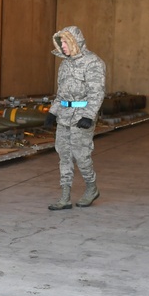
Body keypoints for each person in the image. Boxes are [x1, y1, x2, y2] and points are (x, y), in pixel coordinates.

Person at [44, 25, 106, 210]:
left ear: (74, 41)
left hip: (82, 117)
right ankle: (64, 197)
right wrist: (52, 111)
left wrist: (89, 115)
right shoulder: (64, 65)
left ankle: (91, 188)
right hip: (64, 116)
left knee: (81, 155)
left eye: (64, 42)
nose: (62, 46)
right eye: (60, 42)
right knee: (64, 155)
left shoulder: (93, 63)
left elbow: (97, 92)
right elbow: (61, 94)